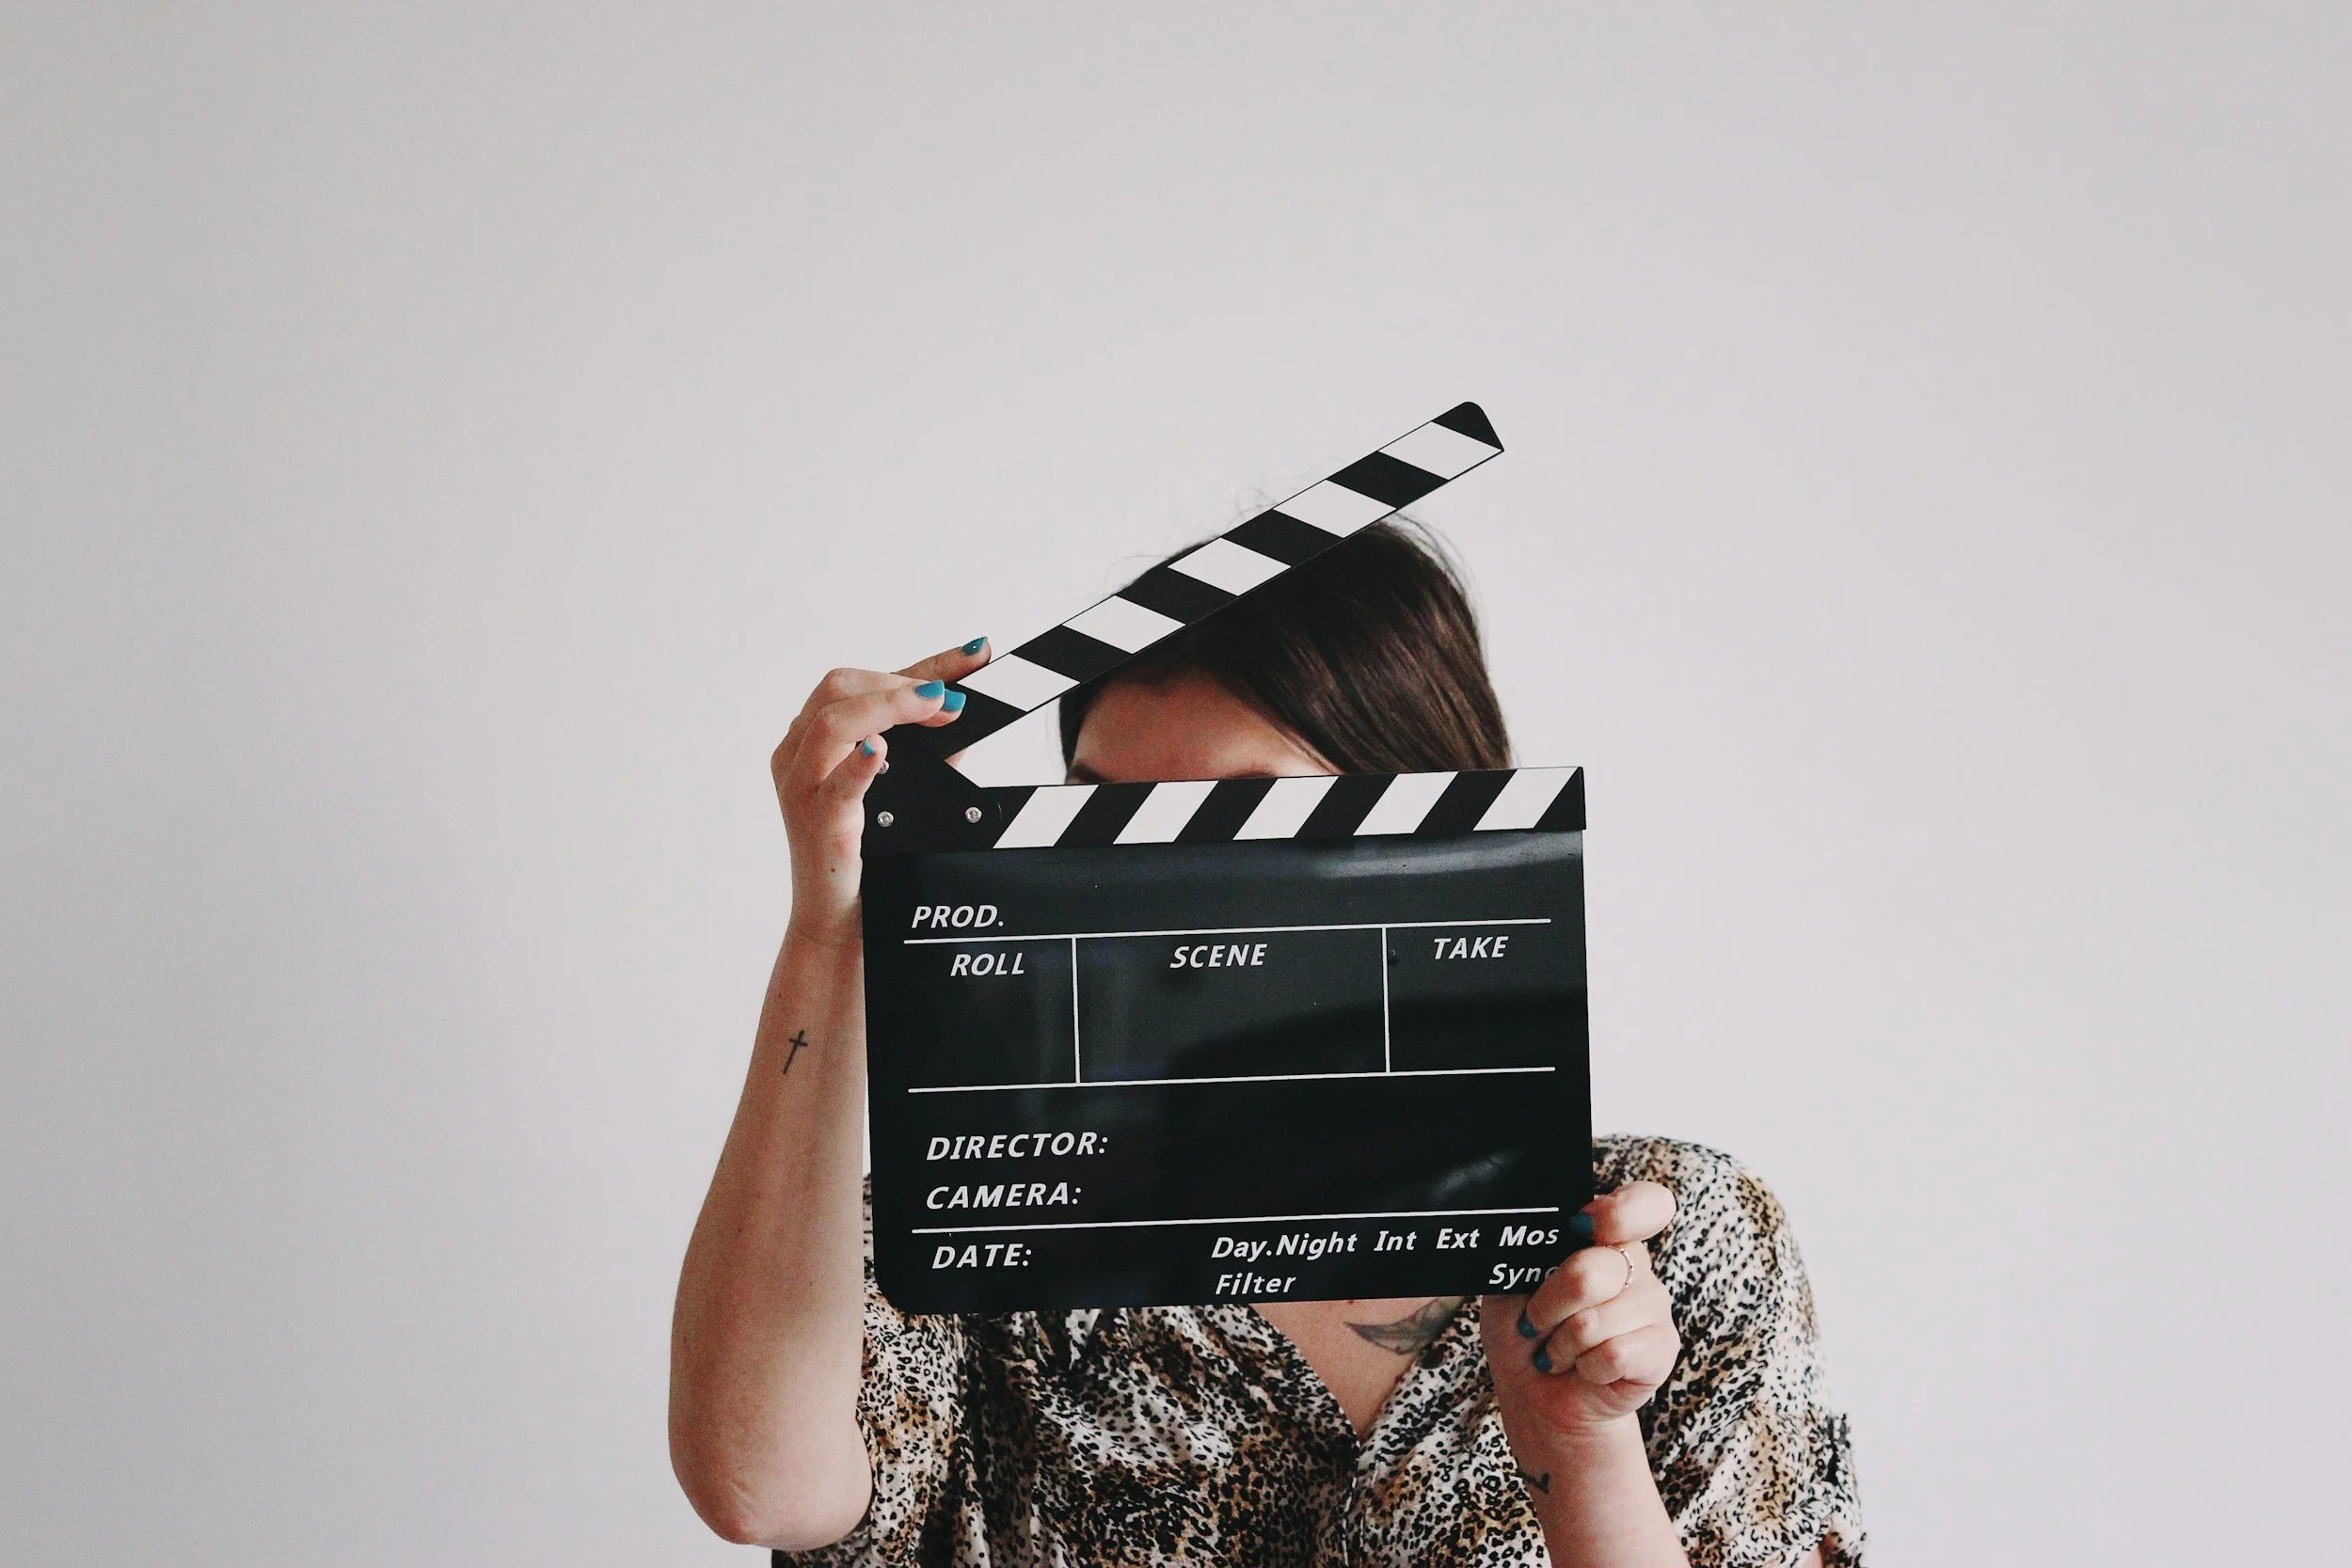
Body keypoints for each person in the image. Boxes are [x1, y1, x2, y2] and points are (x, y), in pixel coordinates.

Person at [671, 519, 1865, 1567]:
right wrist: (836, 923)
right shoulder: (985, 1220)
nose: (1152, 895)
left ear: (1429, 827)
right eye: (1101, 817)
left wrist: (1580, 1446)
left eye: (1240, 814)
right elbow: (758, 1484)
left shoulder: (1665, 1235)